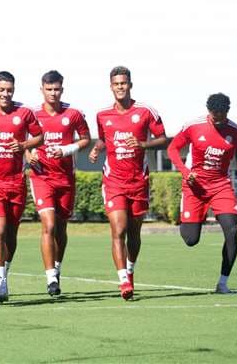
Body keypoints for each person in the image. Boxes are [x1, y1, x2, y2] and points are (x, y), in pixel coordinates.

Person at [89, 66, 167, 300]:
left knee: (134, 233)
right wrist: (96, 148)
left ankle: (130, 271)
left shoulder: (145, 111)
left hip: (138, 180)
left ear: (130, 85)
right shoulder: (102, 115)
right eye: (116, 84)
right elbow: (104, 139)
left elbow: (163, 139)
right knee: (118, 229)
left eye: (123, 83)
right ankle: (123, 280)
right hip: (113, 180)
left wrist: (143, 145)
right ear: (111, 86)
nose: (120, 87)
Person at [167, 93, 237, 293]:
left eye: (221, 113)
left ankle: (223, 283)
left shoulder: (236, 132)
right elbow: (172, 149)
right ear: (208, 110)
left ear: (227, 111)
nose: (217, 117)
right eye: (214, 113)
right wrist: (185, 172)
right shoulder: (193, 126)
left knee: (232, 231)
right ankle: (192, 219)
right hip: (194, 186)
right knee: (191, 240)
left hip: (221, 186)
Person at [27, 71, 90, 297]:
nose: (53, 93)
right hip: (41, 177)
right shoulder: (32, 114)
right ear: (42, 89)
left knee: (61, 228)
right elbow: (22, 141)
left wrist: (66, 149)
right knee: (49, 224)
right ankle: (50, 277)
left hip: (65, 178)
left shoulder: (73, 113)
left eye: (56, 89)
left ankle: (57, 267)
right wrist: (29, 154)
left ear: (62, 89)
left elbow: (85, 138)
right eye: (49, 89)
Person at [0, 71, 42, 302]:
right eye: (1, 90)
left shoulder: (24, 112)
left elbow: (40, 136)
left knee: (11, 233)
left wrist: (24, 145)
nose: (5, 94)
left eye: (9, 90)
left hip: (16, 181)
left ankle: (5, 271)